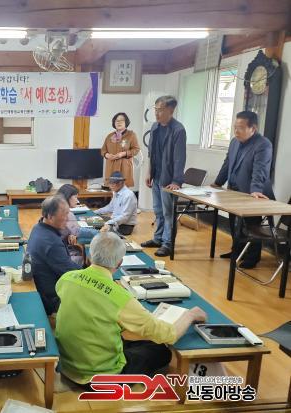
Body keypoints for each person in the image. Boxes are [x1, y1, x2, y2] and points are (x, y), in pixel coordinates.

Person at [55, 232, 207, 385]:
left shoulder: (66, 278)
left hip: (67, 366)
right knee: (161, 351)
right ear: (119, 263)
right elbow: (168, 335)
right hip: (102, 377)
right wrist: (190, 315)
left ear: (89, 256)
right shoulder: (121, 298)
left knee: (133, 340)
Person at [213, 111, 275, 269]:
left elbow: (260, 170)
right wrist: (218, 182)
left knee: (252, 226)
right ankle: (237, 250)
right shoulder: (235, 142)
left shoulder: (263, 144)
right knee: (235, 224)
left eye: (240, 128)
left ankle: (253, 257)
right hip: (233, 191)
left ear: (253, 128)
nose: (236, 131)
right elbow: (227, 163)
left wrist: (255, 190)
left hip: (253, 194)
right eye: (235, 127)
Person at [141, 96, 187, 257]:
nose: (156, 113)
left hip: (169, 179)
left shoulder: (178, 130)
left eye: (160, 110)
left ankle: (168, 243)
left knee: (168, 213)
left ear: (170, 110)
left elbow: (180, 158)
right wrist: (149, 172)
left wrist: (176, 181)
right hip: (157, 175)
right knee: (158, 210)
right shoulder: (155, 127)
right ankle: (158, 238)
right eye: (156, 109)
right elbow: (151, 153)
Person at [27, 196, 81, 315]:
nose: (68, 218)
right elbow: (72, 273)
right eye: (64, 214)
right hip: (52, 297)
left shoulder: (38, 227)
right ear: (50, 217)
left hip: (43, 285)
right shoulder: (51, 243)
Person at [56, 184, 95, 265]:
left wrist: (71, 233)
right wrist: (100, 232)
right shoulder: (67, 213)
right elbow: (78, 231)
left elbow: (72, 231)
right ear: (68, 197)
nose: (78, 201)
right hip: (61, 256)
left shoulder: (56, 208)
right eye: (76, 197)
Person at [101, 112, 140, 187]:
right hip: (111, 167)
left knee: (123, 189)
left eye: (122, 120)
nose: (119, 122)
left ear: (126, 122)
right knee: (112, 189)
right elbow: (103, 150)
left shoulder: (131, 135)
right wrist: (107, 155)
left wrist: (123, 154)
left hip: (124, 168)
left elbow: (136, 149)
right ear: (114, 123)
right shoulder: (109, 136)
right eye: (117, 120)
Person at [96, 171, 138, 235]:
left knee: (99, 230)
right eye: (110, 183)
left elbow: (125, 217)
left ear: (121, 183)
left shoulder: (129, 195)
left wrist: (108, 223)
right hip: (115, 221)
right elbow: (110, 207)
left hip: (125, 226)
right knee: (93, 219)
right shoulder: (116, 192)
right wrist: (95, 212)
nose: (110, 186)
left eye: (113, 183)